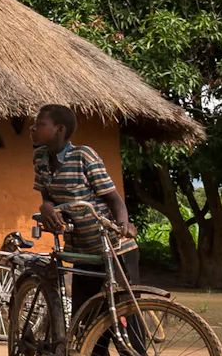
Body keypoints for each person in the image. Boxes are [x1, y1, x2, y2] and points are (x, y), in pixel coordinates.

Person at [31, 104, 137, 348]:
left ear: (59, 130)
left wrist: (123, 224)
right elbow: (47, 196)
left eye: (40, 124)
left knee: (128, 316)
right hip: (81, 250)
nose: (33, 128)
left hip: (113, 246)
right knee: (86, 322)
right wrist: (45, 207)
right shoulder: (40, 158)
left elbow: (113, 198)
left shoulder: (84, 156)